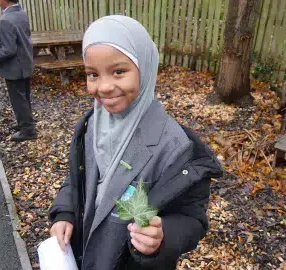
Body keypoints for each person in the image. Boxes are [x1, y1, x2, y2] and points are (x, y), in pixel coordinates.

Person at [49, 15, 223, 270]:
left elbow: (192, 218)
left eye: (119, 71)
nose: (104, 87)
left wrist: (163, 236)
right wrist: (65, 213)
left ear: (146, 67)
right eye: (93, 74)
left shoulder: (174, 148)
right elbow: (78, 178)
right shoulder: (91, 125)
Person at [0, 0, 36, 142]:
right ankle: (26, 123)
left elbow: (9, 50)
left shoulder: (6, 19)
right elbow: (10, 31)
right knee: (24, 97)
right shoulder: (20, 13)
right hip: (25, 62)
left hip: (14, 67)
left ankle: (28, 131)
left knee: (18, 100)